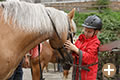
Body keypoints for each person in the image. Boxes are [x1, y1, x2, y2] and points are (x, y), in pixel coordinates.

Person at [64, 15, 102, 80]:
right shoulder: (80, 39)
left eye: (89, 32)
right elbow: (74, 53)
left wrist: (75, 49)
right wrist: (69, 47)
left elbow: (89, 58)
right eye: (85, 30)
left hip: (88, 76)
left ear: (96, 32)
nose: (86, 33)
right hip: (77, 74)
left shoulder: (95, 43)